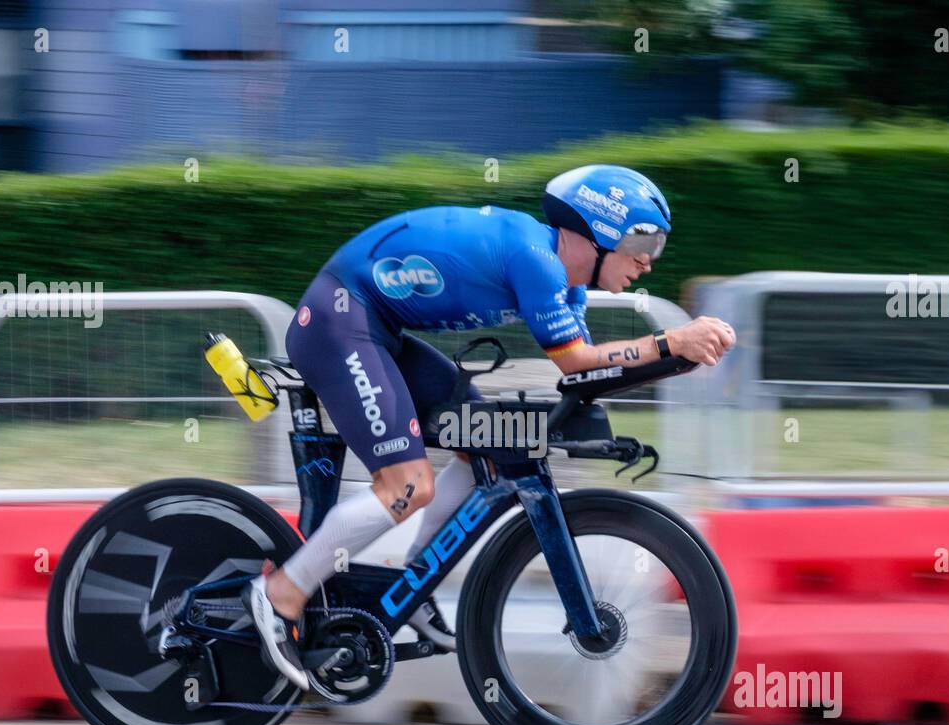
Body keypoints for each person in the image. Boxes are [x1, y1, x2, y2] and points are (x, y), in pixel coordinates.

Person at [245, 165, 736, 690]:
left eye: (657, 245)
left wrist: (676, 360)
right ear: (598, 230)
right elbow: (577, 362)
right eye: (644, 239)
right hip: (340, 321)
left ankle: (410, 587)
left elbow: (592, 370)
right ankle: (282, 595)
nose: (647, 259)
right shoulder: (537, 260)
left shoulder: (564, 287)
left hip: (375, 326)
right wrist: (669, 342)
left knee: (486, 440)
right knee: (406, 486)